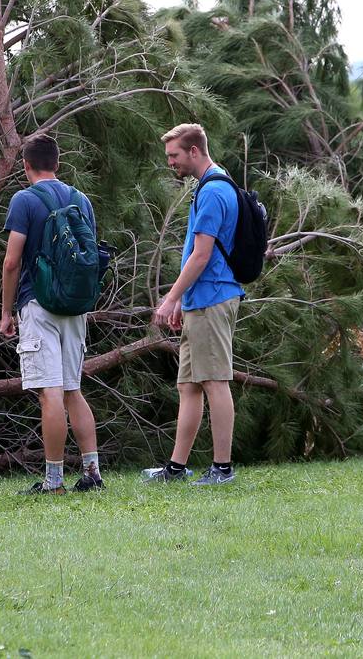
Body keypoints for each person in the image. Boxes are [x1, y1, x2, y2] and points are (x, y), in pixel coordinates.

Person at [0, 134, 103, 495]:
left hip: (38, 303)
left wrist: (6, 311)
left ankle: (54, 481)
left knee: (50, 393)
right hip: (75, 306)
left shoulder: (24, 200)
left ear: (26, 165)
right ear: (57, 163)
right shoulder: (81, 200)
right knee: (74, 389)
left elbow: (12, 261)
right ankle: (92, 471)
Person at [148, 123, 245, 485]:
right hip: (198, 300)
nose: (170, 162)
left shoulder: (214, 191)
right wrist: (182, 300)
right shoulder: (209, 185)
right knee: (189, 384)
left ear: (193, 151)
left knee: (216, 381)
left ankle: (222, 468)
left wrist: (171, 297)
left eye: (174, 156)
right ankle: (176, 467)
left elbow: (201, 255)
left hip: (213, 298)